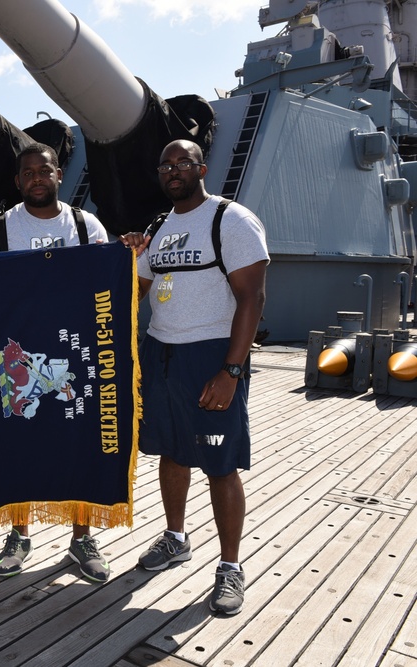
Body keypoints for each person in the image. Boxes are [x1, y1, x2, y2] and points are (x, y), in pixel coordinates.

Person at [126, 139, 268, 615]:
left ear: (201, 168)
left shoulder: (230, 219)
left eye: (182, 162)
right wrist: (126, 256)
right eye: (164, 164)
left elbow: (253, 298)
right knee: (171, 451)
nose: (172, 170)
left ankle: (230, 567)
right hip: (162, 352)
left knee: (220, 464)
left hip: (211, 356)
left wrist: (231, 370)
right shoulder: (159, 227)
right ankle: (175, 538)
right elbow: (138, 290)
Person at [0, 142, 112, 582]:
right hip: (17, 355)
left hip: (75, 350)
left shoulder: (87, 226)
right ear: (17, 182)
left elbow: (112, 283)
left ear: (57, 176)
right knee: (18, 442)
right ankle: (18, 535)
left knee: (81, 441)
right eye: (28, 173)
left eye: (45, 171)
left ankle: (82, 538)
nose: (37, 178)